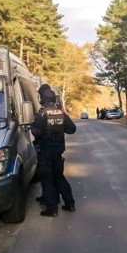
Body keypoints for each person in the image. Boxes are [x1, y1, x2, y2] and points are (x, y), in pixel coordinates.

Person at [31, 84, 77, 217]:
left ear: (42, 99)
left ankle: (52, 209)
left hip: (45, 152)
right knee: (59, 177)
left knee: (47, 179)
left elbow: (37, 132)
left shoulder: (42, 114)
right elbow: (72, 129)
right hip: (58, 151)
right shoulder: (61, 113)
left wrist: (32, 127)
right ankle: (70, 204)